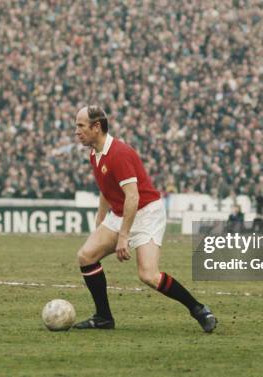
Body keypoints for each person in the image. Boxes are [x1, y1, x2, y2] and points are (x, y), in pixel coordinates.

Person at [73, 105, 216, 332]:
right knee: (86, 256)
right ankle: (103, 318)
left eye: (80, 126)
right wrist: (100, 220)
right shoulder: (94, 152)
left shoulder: (120, 153)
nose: (76, 131)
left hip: (146, 213)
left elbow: (133, 196)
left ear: (96, 127)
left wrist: (123, 237)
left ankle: (198, 309)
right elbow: (106, 189)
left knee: (148, 275)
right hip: (120, 213)